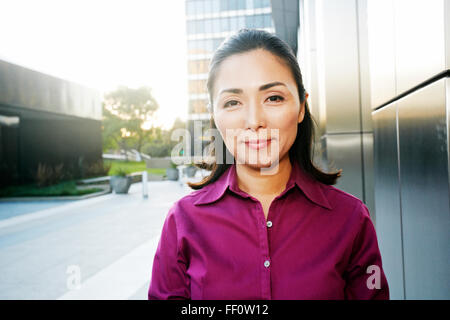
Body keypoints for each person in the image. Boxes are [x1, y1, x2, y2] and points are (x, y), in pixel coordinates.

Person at [148, 29, 389, 300]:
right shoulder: (182, 221)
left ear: (300, 107)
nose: (254, 120)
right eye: (233, 102)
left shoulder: (351, 218)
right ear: (214, 116)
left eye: (273, 98)